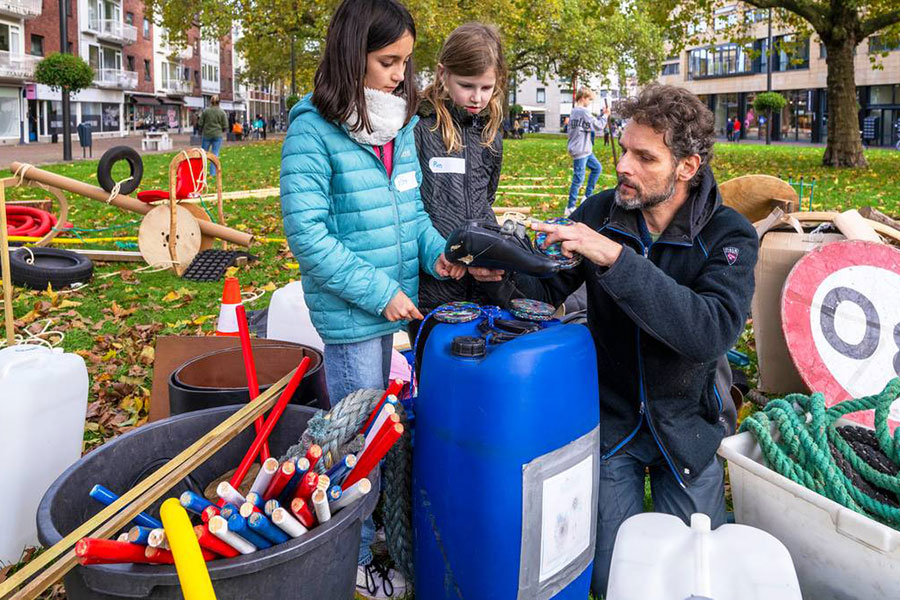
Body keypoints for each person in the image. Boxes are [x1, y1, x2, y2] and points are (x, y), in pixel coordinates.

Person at [475, 84, 758, 597]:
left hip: (688, 425)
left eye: (643, 156)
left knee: (694, 577)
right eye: (622, 149)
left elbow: (709, 331)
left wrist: (614, 259)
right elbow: (546, 292)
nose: (624, 165)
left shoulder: (729, 234)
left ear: (687, 167)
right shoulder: (600, 212)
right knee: (612, 576)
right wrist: (502, 272)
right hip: (614, 422)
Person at [279, 0, 464, 597]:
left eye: (406, 62)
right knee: (357, 447)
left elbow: (409, 210)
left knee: (380, 431)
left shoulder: (398, 124)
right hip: (355, 313)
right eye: (389, 61)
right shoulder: (311, 130)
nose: (401, 75)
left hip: (390, 309)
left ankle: (367, 536)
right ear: (351, 53)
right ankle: (349, 560)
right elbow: (309, 237)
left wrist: (436, 252)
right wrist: (382, 291)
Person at [411, 22, 508, 363]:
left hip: (483, 284)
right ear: (443, 74)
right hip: (434, 282)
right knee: (434, 371)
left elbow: (487, 196)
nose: (477, 97)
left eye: (487, 88)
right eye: (467, 86)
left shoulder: (491, 135)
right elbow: (409, 203)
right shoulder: (421, 128)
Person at [565, 87, 609, 217]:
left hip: (585, 149)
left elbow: (590, 124)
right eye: (589, 99)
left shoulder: (574, 111)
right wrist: (605, 115)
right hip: (580, 149)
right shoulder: (583, 112)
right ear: (583, 98)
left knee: (597, 168)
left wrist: (602, 115)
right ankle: (570, 206)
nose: (590, 102)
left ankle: (587, 196)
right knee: (578, 178)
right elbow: (598, 126)